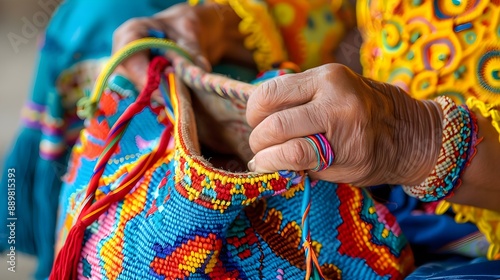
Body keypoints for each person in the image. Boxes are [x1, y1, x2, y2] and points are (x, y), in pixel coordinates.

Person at [2, 0, 499, 278]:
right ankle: (57, 253)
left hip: (479, 214)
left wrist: (416, 141)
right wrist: (214, 26)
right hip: (366, 111)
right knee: (106, 15)